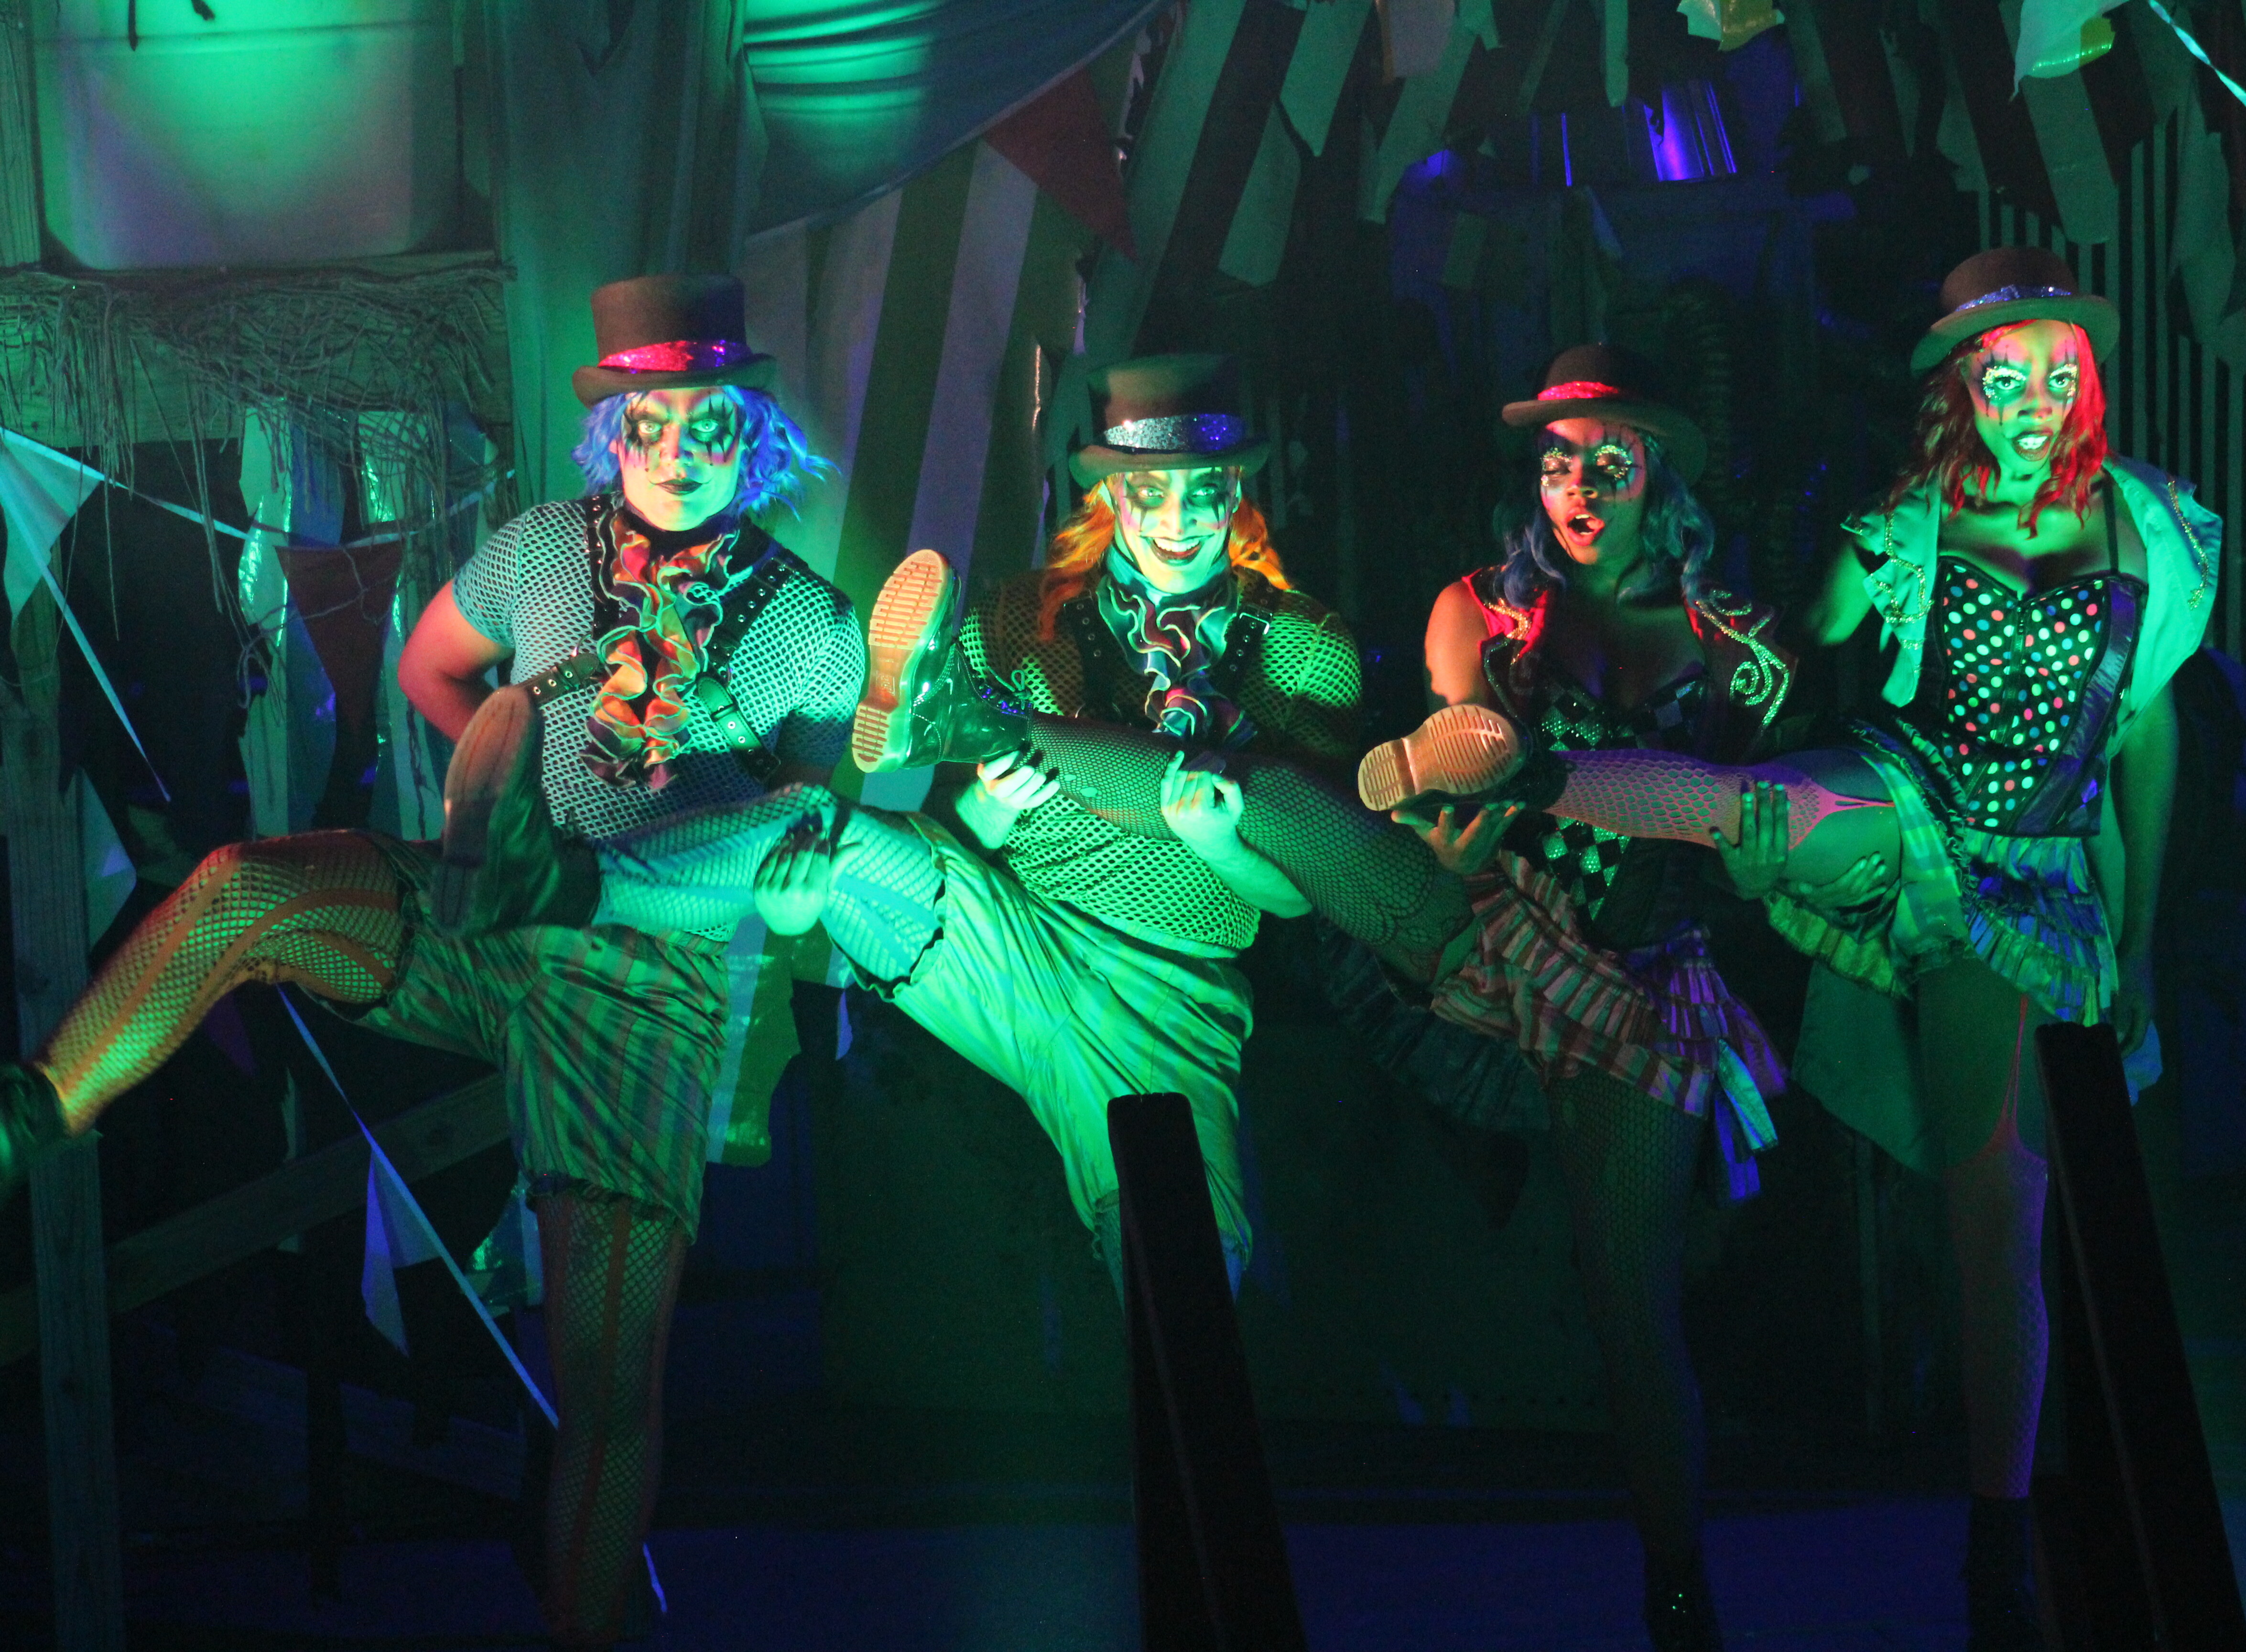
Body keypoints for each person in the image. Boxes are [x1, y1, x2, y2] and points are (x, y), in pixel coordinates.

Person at [1362, 250, 2220, 1649]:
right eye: (2003, 375)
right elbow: (1809, 688)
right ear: (1961, 391)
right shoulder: (1884, 532)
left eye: (2057, 373)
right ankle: (1507, 781)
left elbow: (2144, 736)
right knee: (1730, 803)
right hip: (1814, 829)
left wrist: (2139, 940)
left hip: (1951, 905)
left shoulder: (2146, 534)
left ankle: (1969, 1549)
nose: (2032, 400)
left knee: (1981, 1222)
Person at [0, 273, 864, 1651]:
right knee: (241, 888)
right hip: (486, 919)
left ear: (752, 434)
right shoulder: (545, 550)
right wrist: (493, 792)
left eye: (709, 421)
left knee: (605, 1386)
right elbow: (427, 669)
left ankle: (587, 1622)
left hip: (639, 994)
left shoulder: (809, 625)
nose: (679, 450)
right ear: (616, 431)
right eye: (651, 422)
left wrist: (783, 867)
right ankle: (35, 1113)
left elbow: (807, 829)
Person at [473, 355, 1468, 1295]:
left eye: (1203, 489)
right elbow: (957, 829)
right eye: (1149, 490)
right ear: (1109, 497)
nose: (1178, 518)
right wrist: (989, 804)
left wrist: (1215, 843)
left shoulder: (1305, 647)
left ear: (1235, 492)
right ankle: (562, 878)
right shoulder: (1020, 616)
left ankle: (958, 717)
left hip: (1169, 993)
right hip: (1004, 942)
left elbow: (1294, 891)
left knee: (1190, 1274)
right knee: (820, 822)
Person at [1361, 344, 1888, 1648]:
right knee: (1291, 819)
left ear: (1662, 479)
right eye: (1558, 463)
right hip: (1491, 929)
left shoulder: (1742, 647)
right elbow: (1462, 787)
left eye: (1610, 463)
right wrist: (1442, 825)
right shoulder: (1481, 611)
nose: (1579, 489)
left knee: (1627, 1296)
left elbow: (1754, 831)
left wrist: (1762, 862)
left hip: (1644, 974)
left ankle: (1679, 1588)